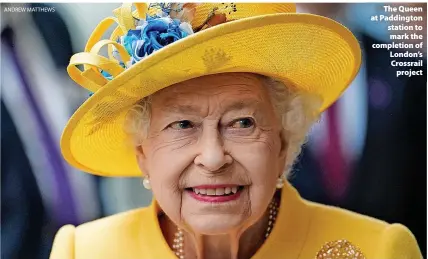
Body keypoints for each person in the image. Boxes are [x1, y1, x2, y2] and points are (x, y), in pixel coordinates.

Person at [50, 3, 422, 259]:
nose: (213, 158)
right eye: (182, 125)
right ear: (143, 152)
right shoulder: (83, 251)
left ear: (283, 143)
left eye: (242, 123)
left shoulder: (379, 249)